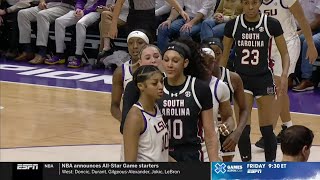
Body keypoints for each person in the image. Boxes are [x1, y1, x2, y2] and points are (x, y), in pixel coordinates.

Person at [221, 0, 290, 161]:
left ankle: (270, 167)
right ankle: (246, 167)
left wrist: (285, 74)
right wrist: (220, 79)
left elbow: (285, 53)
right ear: (241, 4)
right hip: (241, 81)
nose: (250, 7)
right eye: (246, 3)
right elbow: (224, 55)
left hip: (264, 79)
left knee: (267, 129)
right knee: (243, 129)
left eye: (254, 3)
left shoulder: (271, 23)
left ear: (260, 3)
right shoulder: (233, 25)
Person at [256, 0, 319, 148]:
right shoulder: (256, 2)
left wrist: (310, 45)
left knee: (279, 88)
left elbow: (303, 20)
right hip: (269, 46)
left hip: (289, 43)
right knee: (281, 91)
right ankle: (287, 128)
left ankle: (268, 134)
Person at [158, 39, 219, 162]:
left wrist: (214, 161)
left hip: (191, 154)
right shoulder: (156, 86)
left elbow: (209, 132)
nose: (169, 65)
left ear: (185, 63)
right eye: (166, 60)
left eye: (175, 61)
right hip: (160, 153)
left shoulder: (199, 88)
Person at [201, 38, 249, 162]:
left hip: (224, 130)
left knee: (224, 171)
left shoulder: (233, 78)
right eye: (211, 53)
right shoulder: (195, 79)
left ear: (223, 54)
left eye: (218, 53)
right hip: (203, 129)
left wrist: (237, 132)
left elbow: (244, 109)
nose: (215, 57)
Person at [122, 65, 169, 162]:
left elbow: (159, 153)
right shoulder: (135, 117)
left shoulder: (156, 108)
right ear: (141, 86)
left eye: (162, 82)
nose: (161, 87)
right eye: (155, 83)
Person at [44, 0, 106, 68]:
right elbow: (80, 1)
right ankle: (60, 54)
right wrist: (78, 9)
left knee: (80, 23)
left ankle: (78, 57)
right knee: (59, 21)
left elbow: (101, 4)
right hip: (82, 10)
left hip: (95, 12)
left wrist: (84, 12)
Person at [121, 44, 163, 134]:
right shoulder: (133, 87)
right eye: (148, 58)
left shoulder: (170, 82)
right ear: (140, 63)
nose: (153, 61)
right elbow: (125, 126)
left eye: (156, 57)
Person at [110, 29, 150, 122]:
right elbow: (114, 106)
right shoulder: (120, 72)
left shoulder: (157, 69)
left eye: (140, 43)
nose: (135, 46)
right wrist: (124, 121)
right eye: (130, 43)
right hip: (133, 122)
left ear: (147, 46)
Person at [108, 0, 189, 42]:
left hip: (149, 18)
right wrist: (113, 25)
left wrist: (181, 10)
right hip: (134, 18)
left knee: (147, 44)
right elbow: (119, 3)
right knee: (134, 44)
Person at [293, 0, 320, 92]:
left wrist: (301, 31)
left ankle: (307, 79)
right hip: (296, 28)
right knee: (292, 39)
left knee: (305, 41)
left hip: (315, 29)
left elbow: (317, 22)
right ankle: (291, 76)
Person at [94, 0, 128, 67]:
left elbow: (129, 6)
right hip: (113, 15)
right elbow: (109, 5)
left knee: (105, 14)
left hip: (125, 16)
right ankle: (104, 51)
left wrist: (116, 7)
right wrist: (108, 8)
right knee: (101, 23)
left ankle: (105, 48)